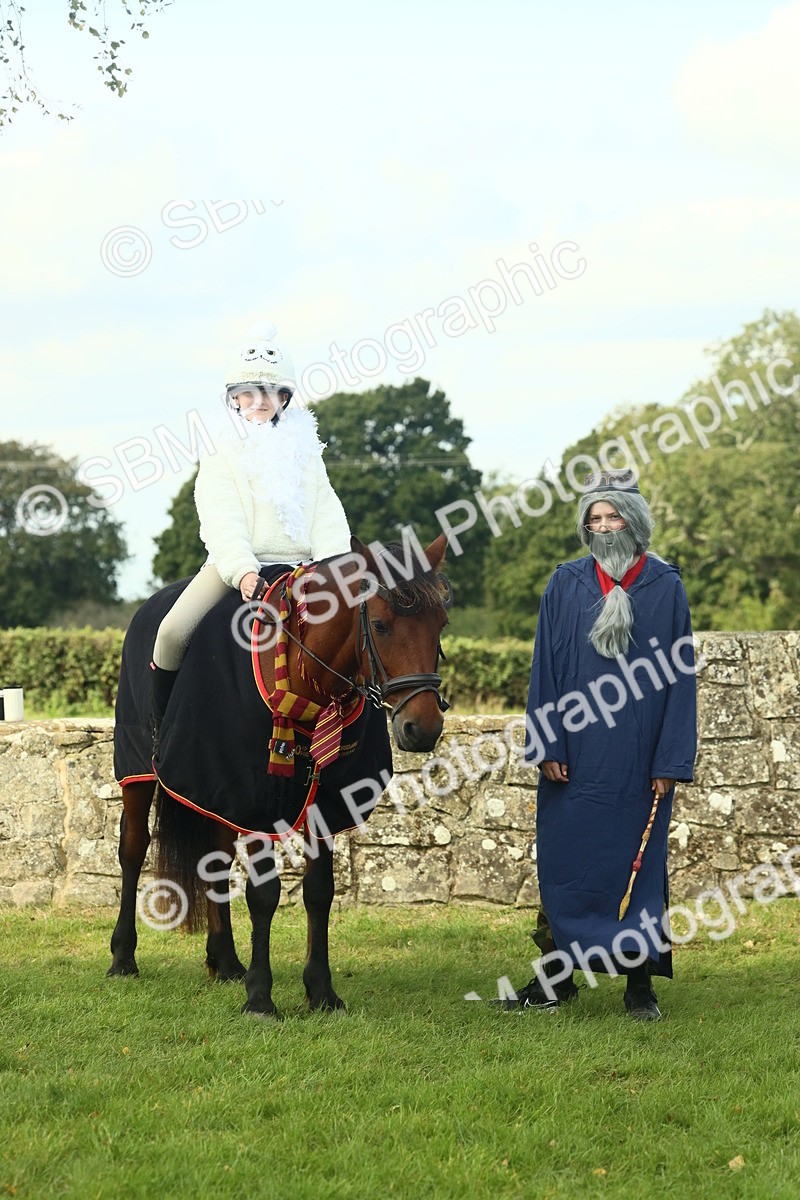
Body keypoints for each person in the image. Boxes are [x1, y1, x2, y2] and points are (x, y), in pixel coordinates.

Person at [503, 469, 697, 1021]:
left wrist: (670, 760)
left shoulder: (665, 586)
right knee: (568, 866)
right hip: (575, 759)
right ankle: (557, 980)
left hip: (641, 764)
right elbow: (545, 669)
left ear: (634, 521)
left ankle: (640, 986)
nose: (605, 526)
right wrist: (548, 743)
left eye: (614, 516)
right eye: (595, 518)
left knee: (637, 868)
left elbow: (681, 679)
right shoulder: (566, 583)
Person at [149, 323, 352, 747]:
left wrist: (334, 569)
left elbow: (327, 515)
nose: (259, 401)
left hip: (304, 569)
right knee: (170, 632)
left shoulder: (307, 451)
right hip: (238, 568)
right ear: (235, 398)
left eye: (269, 392)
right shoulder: (220, 450)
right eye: (249, 392)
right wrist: (242, 572)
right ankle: (160, 732)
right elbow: (221, 519)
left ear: (284, 399)